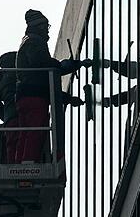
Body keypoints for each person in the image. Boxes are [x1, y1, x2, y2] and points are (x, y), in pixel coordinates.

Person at [15, 9, 89, 163]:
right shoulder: (35, 41)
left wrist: (68, 98)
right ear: (40, 26)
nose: (47, 31)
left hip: (25, 96)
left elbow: (43, 76)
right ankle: (28, 163)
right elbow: (43, 66)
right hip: (35, 97)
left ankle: (20, 162)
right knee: (36, 130)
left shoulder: (27, 40)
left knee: (25, 132)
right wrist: (64, 65)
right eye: (46, 26)